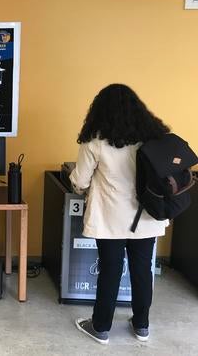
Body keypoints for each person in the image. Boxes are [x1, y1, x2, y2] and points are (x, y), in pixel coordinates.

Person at [70, 84, 170, 345]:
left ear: (100, 111)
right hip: (146, 217)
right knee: (142, 270)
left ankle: (101, 327)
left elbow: (79, 181)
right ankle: (142, 326)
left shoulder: (95, 141)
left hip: (110, 219)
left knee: (110, 271)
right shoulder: (153, 138)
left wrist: (86, 185)